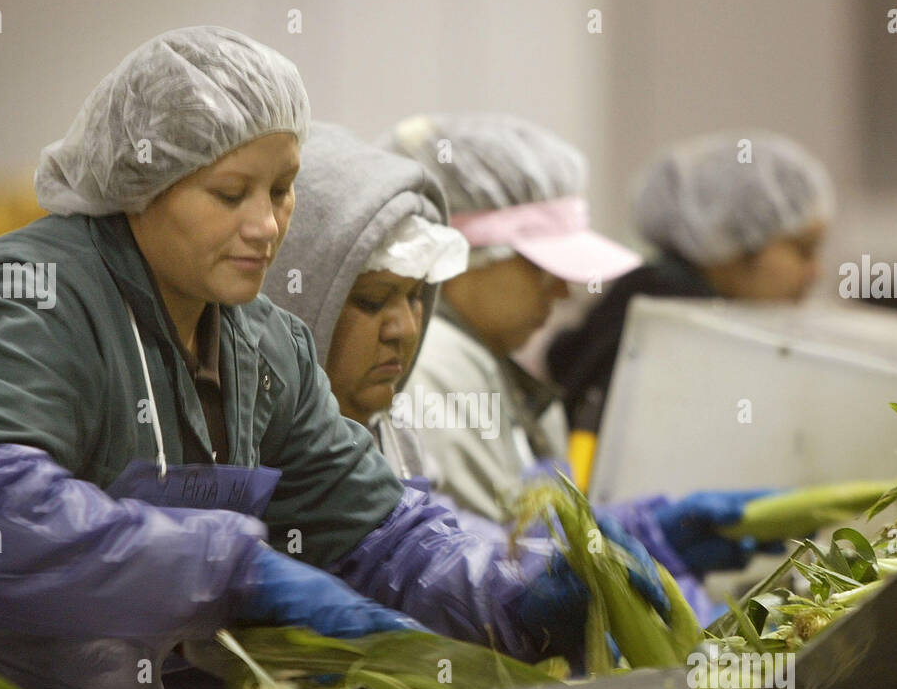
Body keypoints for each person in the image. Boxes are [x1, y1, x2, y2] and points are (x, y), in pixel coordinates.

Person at [0, 30, 667, 689]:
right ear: (142, 182)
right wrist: (230, 564)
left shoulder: (264, 348)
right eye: (231, 194)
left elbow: (376, 526)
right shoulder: (22, 297)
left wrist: (514, 589)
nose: (268, 225)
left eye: (282, 189)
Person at [266, 121, 725, 623]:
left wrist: (627, 540)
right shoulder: (430, 373)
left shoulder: (388, 413)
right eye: (374, 300)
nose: (563, 292)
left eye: (417, 295)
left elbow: (428, 541)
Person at [380, 113, 779, 593]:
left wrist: (645, 536)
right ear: (458, 251)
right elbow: (473, 565)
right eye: (542, 268)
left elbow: (524, 537)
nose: (564, 291)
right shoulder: (432, 367)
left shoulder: (487, 365)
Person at [548, 131, 834, 438]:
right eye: (803, 250)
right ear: (734, 240)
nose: (816, 272)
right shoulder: (665, 336)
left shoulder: (656, 309)